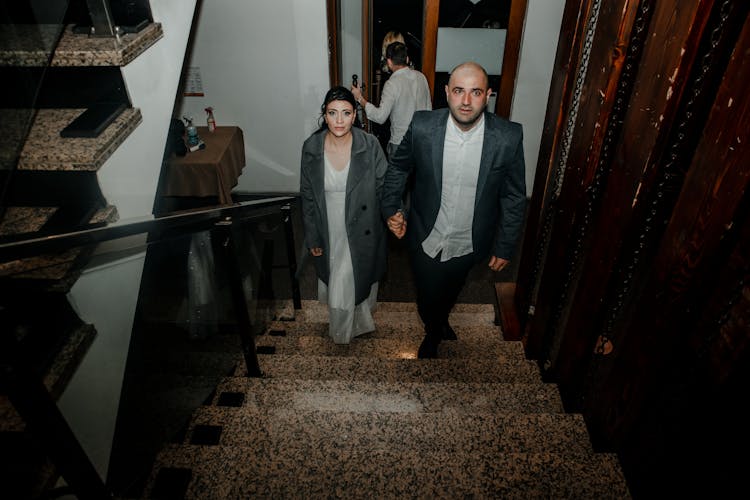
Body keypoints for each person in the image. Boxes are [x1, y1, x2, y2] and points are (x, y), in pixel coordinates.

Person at [380, 62, 526, 359]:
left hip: (470, 240)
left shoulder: (508, 137)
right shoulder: (423, 126)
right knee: (425, 295)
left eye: (475, 92)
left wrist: (505, 244)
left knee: (453, 287)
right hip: (425, 234)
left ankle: (439, 320)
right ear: (447, 93)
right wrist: (391, 207)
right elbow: (398, 166)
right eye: (459, 91)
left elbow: (513, 196)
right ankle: (434, 330)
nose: (466, 100)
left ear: (488, 95)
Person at [300, 86, 388, 344]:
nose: (339, 120)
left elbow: (384, 186)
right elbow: (306, 195)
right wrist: (313, 237)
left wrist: (395, 215)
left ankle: (344, 332)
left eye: (346, 113)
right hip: (328, 224)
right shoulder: (311, 147)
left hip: (363, 224)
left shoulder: (369, 144)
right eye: (332, 113)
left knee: (351, 277)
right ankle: (348, 328)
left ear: (354, 115)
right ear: (324, 115)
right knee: (340, 279)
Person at [351, 42, 431, 158]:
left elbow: (380, 117)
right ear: (407, 59)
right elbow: (429, 110)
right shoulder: (421, 77)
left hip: (401, 144)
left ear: (389, 62)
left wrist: (359, 98)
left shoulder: (392, 84)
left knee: (396, 176)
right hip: (422, 141)